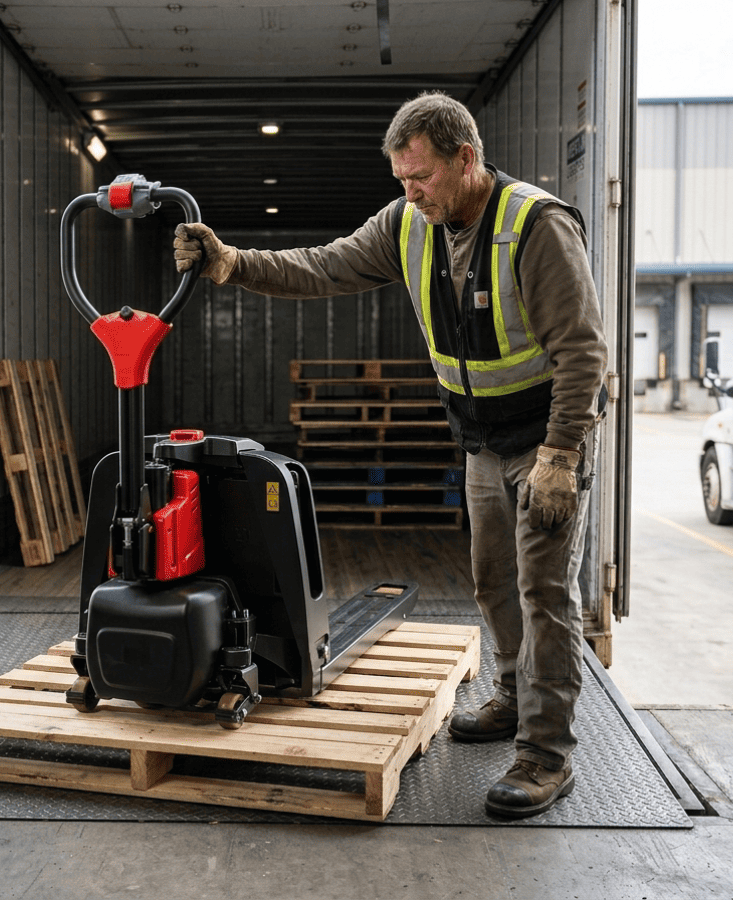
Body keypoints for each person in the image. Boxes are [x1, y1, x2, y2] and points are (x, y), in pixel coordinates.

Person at [173, 90, 607, 820]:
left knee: (546, 596)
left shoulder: (536, 226)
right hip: (481, 441)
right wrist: (232, 264)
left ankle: (545, 754)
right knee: (493, 583)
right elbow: (323, 266)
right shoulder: (409, 223)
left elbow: (583, 352)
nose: (411, 193)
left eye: (423, 177)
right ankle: (510, 695)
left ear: (465, 159)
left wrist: (562, 454)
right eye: (402, 180)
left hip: (544, 445)